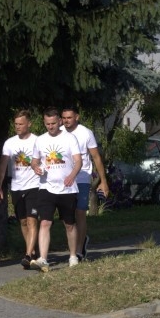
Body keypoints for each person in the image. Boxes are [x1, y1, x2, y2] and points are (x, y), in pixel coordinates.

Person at [30, 108, 83, 271]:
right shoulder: (40, 140)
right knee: (45, 222)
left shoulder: (70, 138)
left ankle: (73, 255)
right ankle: (43, 258)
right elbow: (34, 161)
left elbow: (78, 161)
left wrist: (72, 175)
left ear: (59, 122)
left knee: (69, 224)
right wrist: (36, 168)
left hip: (67, 189)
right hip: (46, 187)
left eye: (53, 123)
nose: (50, 127)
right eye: (47, 124)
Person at [60, 107, 110, 263]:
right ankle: (75, 245)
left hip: (82, 177)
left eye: (69, 117)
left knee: (80, 212)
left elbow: (96, 157)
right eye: (64, 118)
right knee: (68, 216)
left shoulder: (85, 133)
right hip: (66, 179)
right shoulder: (59, 132)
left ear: (77, 117)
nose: (66, 120)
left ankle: (80, 249)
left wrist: (103, 181)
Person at [0, 110, 42, 269]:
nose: (18, 127)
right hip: (16, 187)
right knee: (22, 221)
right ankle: (33, 250)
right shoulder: (10, 143)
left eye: (21, 124)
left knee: (32, 219)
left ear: (29, 124)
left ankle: (28, 254)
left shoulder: (38, 140)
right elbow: (3, 165)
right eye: (16, 124)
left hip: (34, 186)